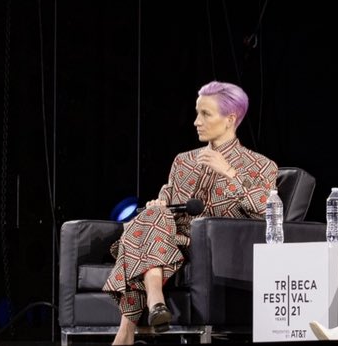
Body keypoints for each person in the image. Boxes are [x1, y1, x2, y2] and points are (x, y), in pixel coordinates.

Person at [104, 81, 278, 345]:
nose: (196, 121)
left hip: (215, 248)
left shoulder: (260, 165)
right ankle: (155, 303)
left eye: (205, 114)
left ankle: (126, 329)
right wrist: (159, 205)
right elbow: (168, 198)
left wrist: (230, 174)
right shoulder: (183, 160)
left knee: (139, 234)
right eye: (197, 113)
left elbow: (267, 210)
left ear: (230, 119)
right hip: (171, 242)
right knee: (151, 217)